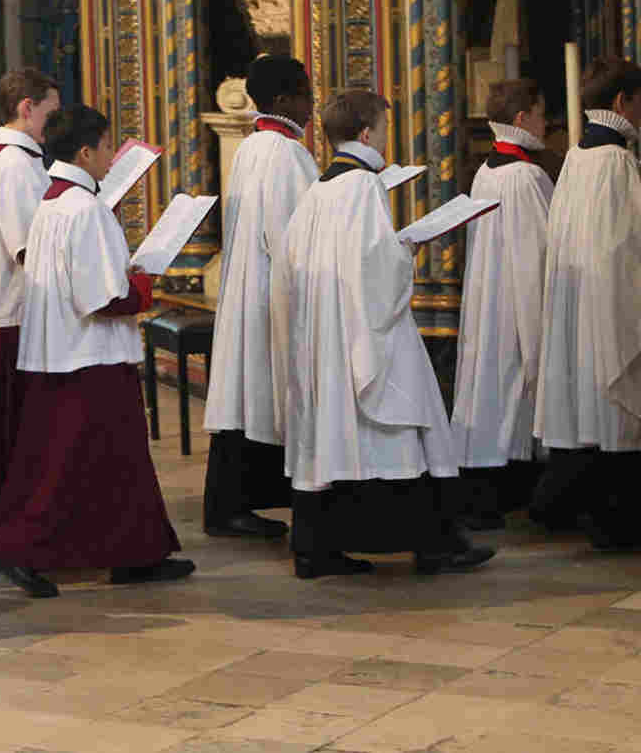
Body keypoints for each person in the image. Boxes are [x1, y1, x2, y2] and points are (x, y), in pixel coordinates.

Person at [271, 89, 493, 578]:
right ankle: (434, 545)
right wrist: (406, 249)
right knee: (410, 422)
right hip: (363, 333)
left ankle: (316, 549)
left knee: (331, 441)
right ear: (368, 133)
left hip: (325, 334)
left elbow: (293, 264)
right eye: (386, 128)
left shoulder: (319, 190)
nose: (388, 137)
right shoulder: (363, 187)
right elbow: (375, 270)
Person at [0, 104, 195, 597]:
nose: (111, 157)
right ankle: (16, 549)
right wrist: (143, 284)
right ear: (84, 151)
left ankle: (135, 553)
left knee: (112, 464)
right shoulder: (86, 209)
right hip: (90, 357)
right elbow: (104, 299)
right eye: (106, 146)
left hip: (62, 353)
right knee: (67, 467)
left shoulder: (53, 203)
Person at [201, 55, 314, 539]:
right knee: (259, 395)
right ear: (285, 99)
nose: (311, 106)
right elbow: (297, 235)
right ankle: (234, 507)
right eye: (306, 95)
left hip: (248, 286)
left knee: (243, 399)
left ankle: (230, 505)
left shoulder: (252, 145)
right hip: (271, 290)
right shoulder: (286, 153)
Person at [530, 55, 641, 548]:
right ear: (622, 101)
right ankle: (617, 523)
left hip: (583, 300)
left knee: (594, 412)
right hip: (609, 302)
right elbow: (627, 246)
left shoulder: (576, 156)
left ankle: (582, 511)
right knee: (616, 412)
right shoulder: (616, 161)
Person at [0, 67, 58, 549]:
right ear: (27, 108)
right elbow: (29, 249)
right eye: (50, 113)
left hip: (14, 309)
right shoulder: (16, 166)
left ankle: (5, 519)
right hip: (12, 312)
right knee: (12, 424)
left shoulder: (19, 160)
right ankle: (5, 524)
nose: (53, 123)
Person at [451, 79, 552, 529]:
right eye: (541, 113)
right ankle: (510, 493)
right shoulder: (525, 177)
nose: (546, 123)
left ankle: (485, 494)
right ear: (521, 118)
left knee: (490, 390)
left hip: (488, 296)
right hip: (515, 300)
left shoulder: (486, 171)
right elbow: (541, 253)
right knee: (513, 386)